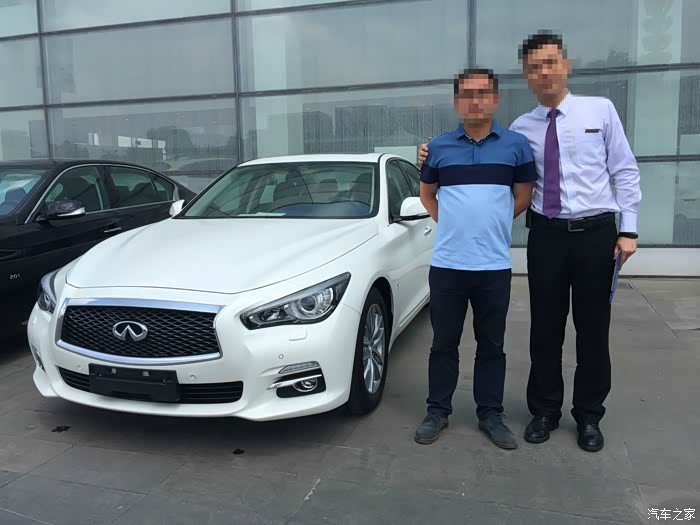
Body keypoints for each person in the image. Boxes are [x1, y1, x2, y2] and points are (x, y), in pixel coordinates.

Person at [418, 32, 642, 452]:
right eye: (535, 67)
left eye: (550, 63)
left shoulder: (600, 111)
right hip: (546, 236)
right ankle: (545, 411)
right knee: (545, 329)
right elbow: (503, 187)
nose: (544, 72)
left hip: (596, 233)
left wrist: (628, 229)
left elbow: (625, 170)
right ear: (526, 75)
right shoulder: (522, 130)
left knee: (593, 330)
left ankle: (589, 415)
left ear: (565, 65)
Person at [414, 68, 537, 449]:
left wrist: (493, 223)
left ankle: (490, 414)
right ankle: (437, 411)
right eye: (467, 94)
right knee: (443, 344)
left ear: (495, 99)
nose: (475, 100)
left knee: (492, 346)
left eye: (483, 93)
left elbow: (524, 195)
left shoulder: (516, 146)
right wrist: (453, 224)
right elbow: (427, 194)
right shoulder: (438, 148)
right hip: (448, 265)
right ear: (457, 102)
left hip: (493, 266)